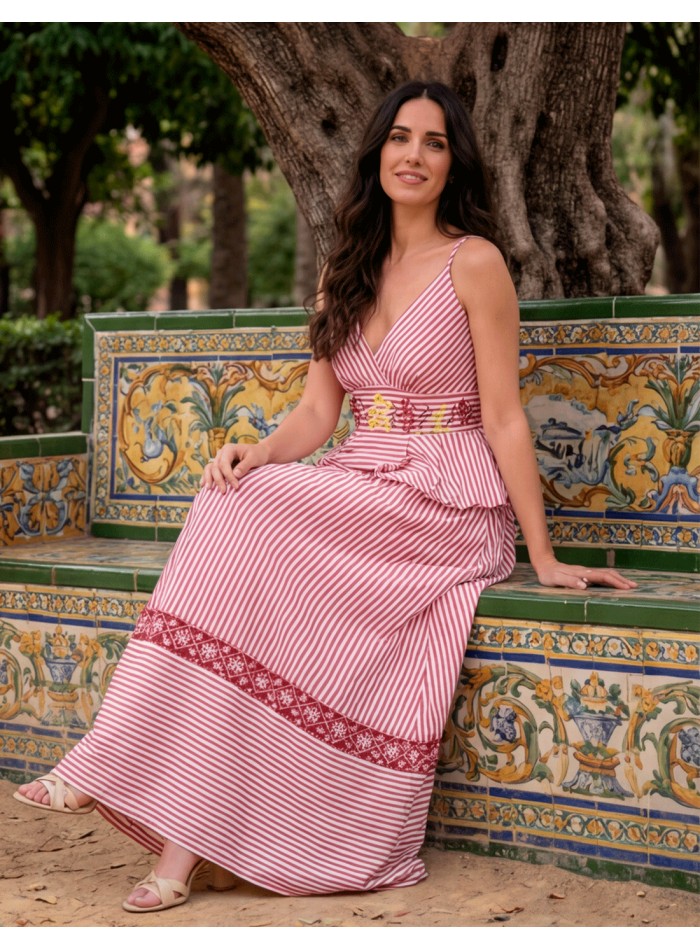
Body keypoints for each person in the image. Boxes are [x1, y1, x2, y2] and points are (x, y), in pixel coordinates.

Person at [13, 80, 636, 912]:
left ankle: (112, 769)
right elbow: (317, 412)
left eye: (435, 142)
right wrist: (258, 450)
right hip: (361, 486)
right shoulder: (342, 269)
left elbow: (505, 418)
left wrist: (544, 555)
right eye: (401, 138)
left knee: (251, 517)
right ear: (377, 152)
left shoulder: (474, 261)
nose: (414, 155)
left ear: (455, 164)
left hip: (444, 505)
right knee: (237, 499)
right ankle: (179, 842)